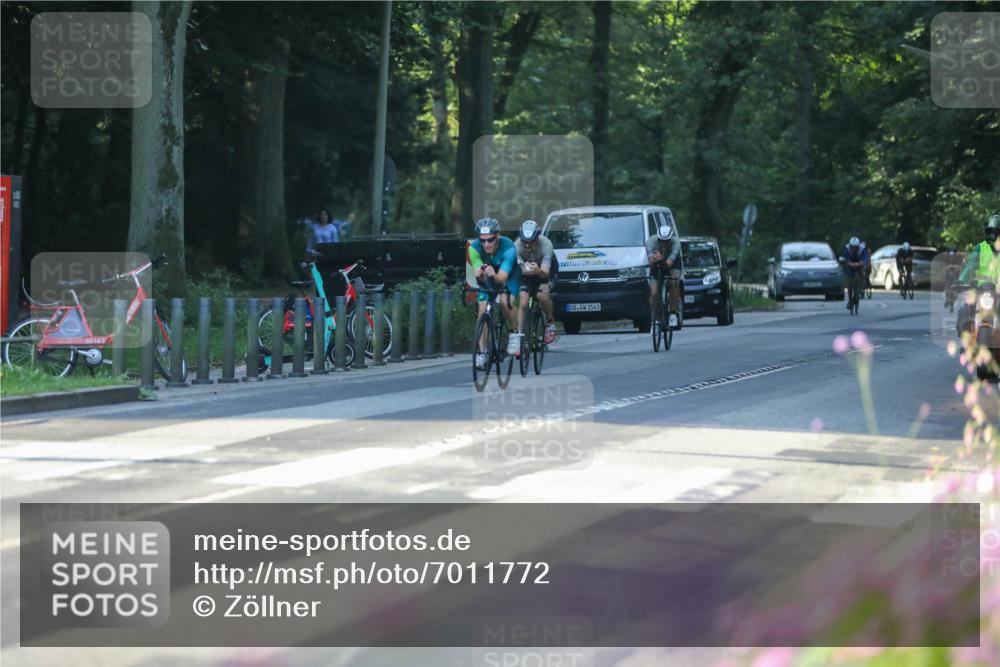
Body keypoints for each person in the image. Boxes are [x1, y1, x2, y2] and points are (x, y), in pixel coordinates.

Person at [468, 217, 522, 369]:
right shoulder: (474, 248)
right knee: (482, 308)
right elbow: (478, 270)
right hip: (489, 274)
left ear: (497, 236)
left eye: (490, 240)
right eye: (482, 240)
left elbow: (502, 278)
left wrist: (493, 274)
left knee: (506, 303)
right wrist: (479, 273)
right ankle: (483, 353)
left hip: (508, 274)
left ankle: (514, 333)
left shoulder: (509, 247)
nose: (486, 244)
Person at [515, 220, 558, 345]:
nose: (527, 246)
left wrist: (538, 270)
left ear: (537, 238)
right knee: (523, 302)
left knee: (542, 295)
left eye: (531, 242)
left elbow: (545, 272)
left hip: (546, 274)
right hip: (526, 275)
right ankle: (518, 336)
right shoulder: (516, 246)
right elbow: (517, 268)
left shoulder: (546, 245)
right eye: (525, 242)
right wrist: (523, 269)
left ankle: (550, 322)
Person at [957, 215, 1000, 333]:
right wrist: (961, 280)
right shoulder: (980, 248)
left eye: (996, 232)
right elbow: (970, 265)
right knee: (965, 311)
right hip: (980, 289)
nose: (993, 235)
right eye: (990, 232)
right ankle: (967, 343)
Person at [646, 220, 681, 328]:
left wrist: (663, 257)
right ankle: (655, 318)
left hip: (673, 263)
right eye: (661, 240)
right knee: (654, 293)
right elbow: (651, 263)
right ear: (658, 238)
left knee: (674, 282)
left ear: (671, 239)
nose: (664, 243)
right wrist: (658, 259)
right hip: (656, 264)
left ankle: (673, 313)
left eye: (667, 241)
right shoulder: (650, 242)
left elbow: (669, 264)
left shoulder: (676, 243)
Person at [839, 237, 869, 308]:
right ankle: (850, 300)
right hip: (851, 263)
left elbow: (864, 258)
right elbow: (846, 258)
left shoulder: (862, 249)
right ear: (850, 246)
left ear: (858, 246)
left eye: (856, 247)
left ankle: (861, 287)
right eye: (852, 247)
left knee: (862, 272)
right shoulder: (847, 249)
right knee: (849, 281)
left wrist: (860, 263)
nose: (854, 249)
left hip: (859, 262)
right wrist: (850, 264)